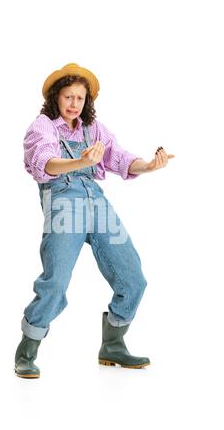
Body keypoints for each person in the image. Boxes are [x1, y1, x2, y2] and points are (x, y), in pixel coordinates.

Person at [14, 63, 174, 378]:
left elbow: (120, 158)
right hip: (64, 202)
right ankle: (27, 350)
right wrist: (81, 160)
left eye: (80, 98)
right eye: (68, 97)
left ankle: (113, 345)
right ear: (55, 98)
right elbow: (45, 162)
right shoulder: (43, 127)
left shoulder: (94, 130)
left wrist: (149, 166)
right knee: (56, 281)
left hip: (96, 202)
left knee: (133, 278)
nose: (74, 104)